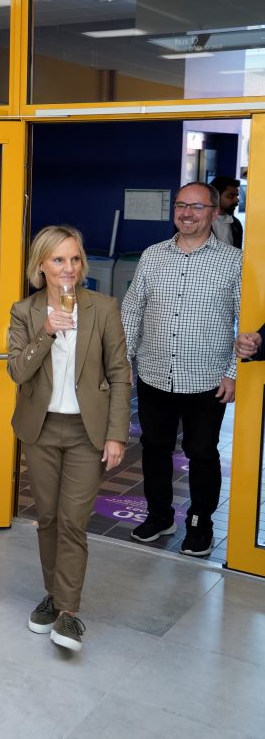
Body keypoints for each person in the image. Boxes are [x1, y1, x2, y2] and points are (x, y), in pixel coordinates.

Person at [7, 225, 130, 652]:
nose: (69, 268)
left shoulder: (104, 308)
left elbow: (119, 374)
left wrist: (116, 434)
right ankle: (53, 595)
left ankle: (69, 612)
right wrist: (46, 331)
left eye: (75, 258)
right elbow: (17, 372)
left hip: (85, 432)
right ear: (41, 265)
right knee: (48, 519)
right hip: (40, 429)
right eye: (58, 259)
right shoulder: (24, 311)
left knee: (74, 520)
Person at [121, 181, 241, 557]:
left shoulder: (234, 261)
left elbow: (247, 322)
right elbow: (132, 310)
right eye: (180, 206)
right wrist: (124, 360)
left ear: (214, 212)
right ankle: (159, 516)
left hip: (206, 379)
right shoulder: (152, 255)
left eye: (197, 207)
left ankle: (200, 524)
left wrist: (233, 372)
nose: (187, 213)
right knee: (154, 447)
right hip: (154, 373)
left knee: (202, 453)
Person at [209, 176, 242, 248]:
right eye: (231, 196)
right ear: (216, 197)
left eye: (237, 196)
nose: (237, 200)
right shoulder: (201, 221)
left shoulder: (236, 224)